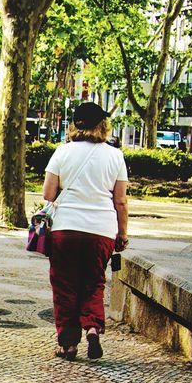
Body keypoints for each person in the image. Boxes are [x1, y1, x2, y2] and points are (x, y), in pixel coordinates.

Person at [42, 101, 128, 361]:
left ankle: (67, 344)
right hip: (101, 230)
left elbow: (48, 194)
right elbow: (121, 201)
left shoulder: (62, 152)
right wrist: (122, 233)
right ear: (103, 125)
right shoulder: (115, 156)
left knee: (65, 285)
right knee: (94, 283)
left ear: (74, 125)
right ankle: (92, 327)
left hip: (65, 229)